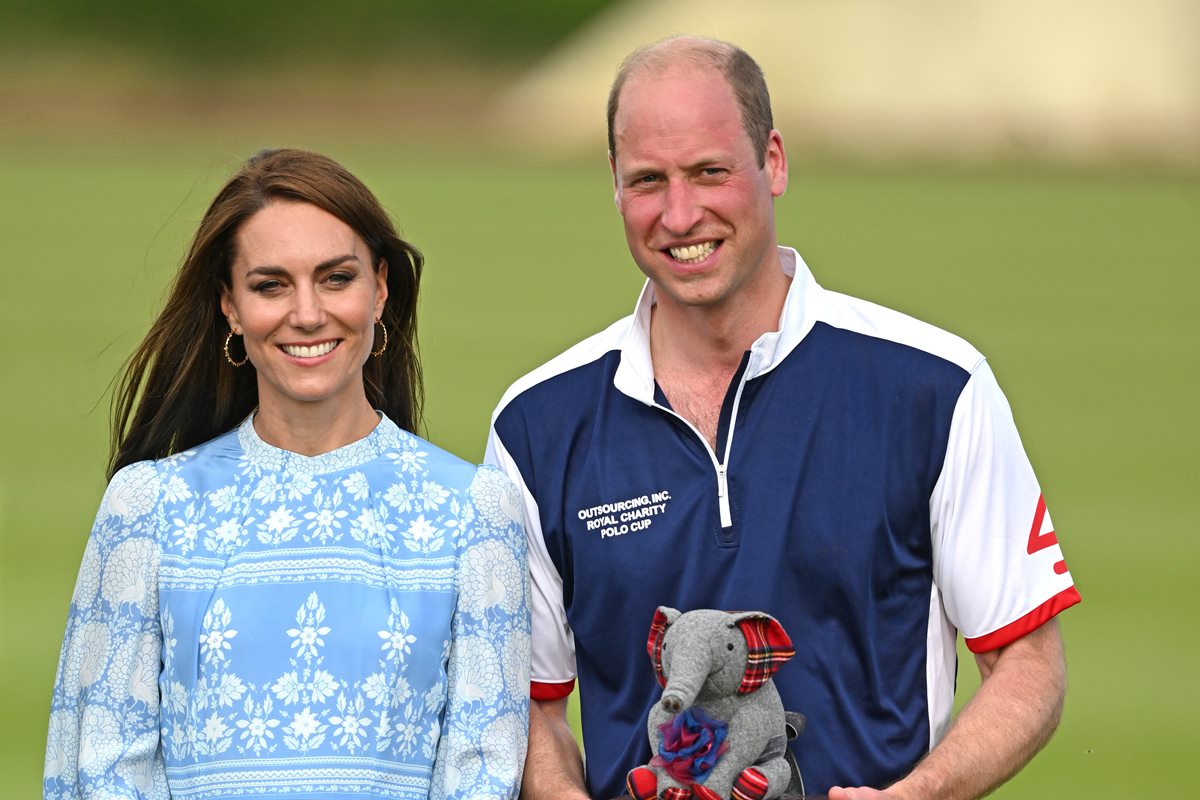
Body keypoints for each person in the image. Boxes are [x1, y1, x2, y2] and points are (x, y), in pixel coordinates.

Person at [484, 37, 1080, 800]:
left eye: (709, 172)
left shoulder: (934, 385)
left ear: (773, 161)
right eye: (647, 180)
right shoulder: (536, 425)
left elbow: (1027, 660)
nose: (680, 212)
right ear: (614, 185)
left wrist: (920, 795)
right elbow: (525, 704)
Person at [44, 148, 530, 800]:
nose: (307, 313)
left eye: (335, 278)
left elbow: (483, 771)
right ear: (230, 306)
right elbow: (102, 767)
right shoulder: (148, 505)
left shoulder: (474, 508)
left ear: (380, 288)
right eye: (271, 285)